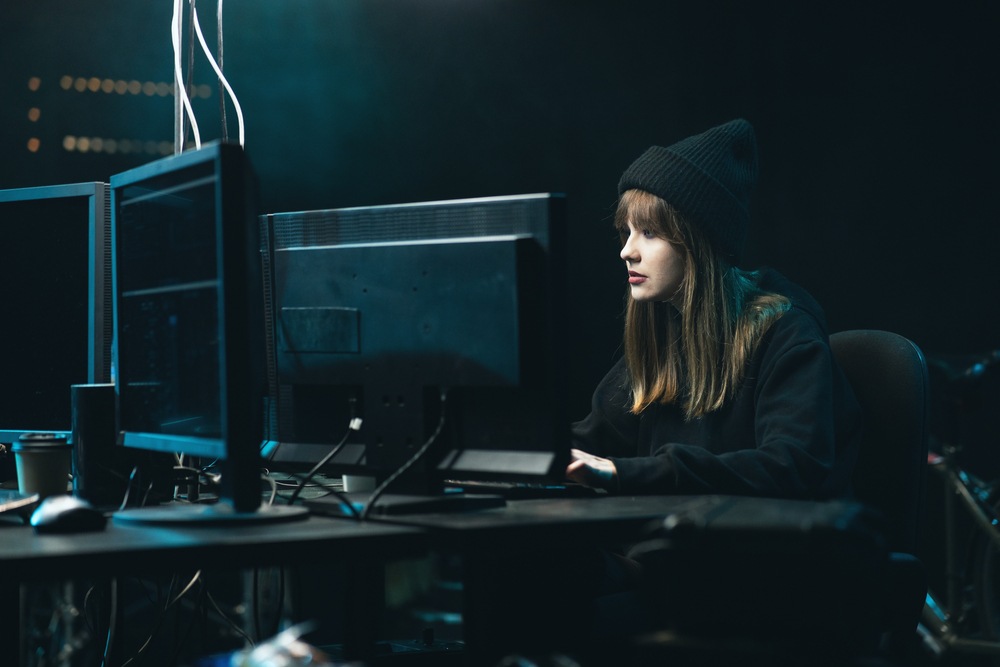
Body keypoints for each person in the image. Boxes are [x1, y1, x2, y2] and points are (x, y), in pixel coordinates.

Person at [566, 118, 862, 500]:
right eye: (627, 231)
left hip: (761, 554)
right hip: (671, 549)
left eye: (649, 233)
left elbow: (790, 466)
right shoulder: (665, 326)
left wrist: (624, 473)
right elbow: (591, 439)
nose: (627, 251)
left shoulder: (787, 333)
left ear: (698, 241)